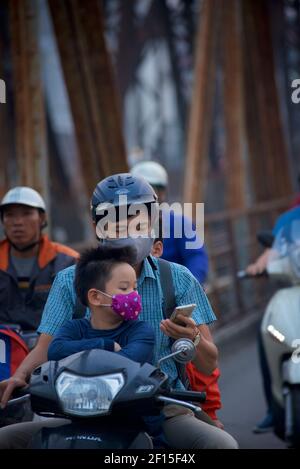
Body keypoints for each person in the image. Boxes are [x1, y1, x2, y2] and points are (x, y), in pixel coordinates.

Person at [0, 174, 238, 449]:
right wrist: (21, 375)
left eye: (137, 220)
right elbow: (46, 347)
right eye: (114, 220)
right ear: (96, 226)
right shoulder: (69, 281)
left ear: (153, 222)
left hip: (161, 409)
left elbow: (209, 363)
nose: (126, 228)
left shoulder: (178, 279)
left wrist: (193, 337)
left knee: (222, 445)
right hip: (85, 409)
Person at [246, 205, 300, 433]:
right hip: (295, 288)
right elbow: (275, 249)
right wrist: (259, 266)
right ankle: (273, 408)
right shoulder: (289, 220)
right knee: (270, 331)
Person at [0, 186, 79, 331]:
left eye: (26, 214)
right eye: (10, 215)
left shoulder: (68, 262)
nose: (18, 222)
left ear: (42, 218)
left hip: (51, 347)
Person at [131, 161, 209, 284]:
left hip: (173, 293)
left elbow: (195, 257)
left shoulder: (179, 223)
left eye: (153, 190)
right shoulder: (122, 227)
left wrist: (189, 286)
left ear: (162, 193)